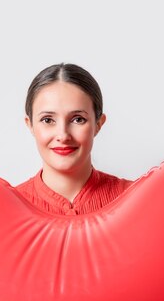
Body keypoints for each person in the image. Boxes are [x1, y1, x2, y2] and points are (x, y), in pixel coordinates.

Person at [15, 63, 133, 215]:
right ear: (30, 125)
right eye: (47, 120)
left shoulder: (136, 199)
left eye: (78, 119)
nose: (63, 135)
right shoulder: (9, 206)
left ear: (98, 124)